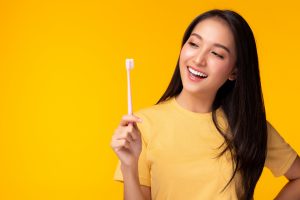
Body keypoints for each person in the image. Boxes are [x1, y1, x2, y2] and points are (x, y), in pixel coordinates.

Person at [110, 9, 300, 200]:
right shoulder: (142, 125)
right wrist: (129, 167)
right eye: (194, 44)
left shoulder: (249, 127)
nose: (198, 60)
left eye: (217, 54)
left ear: (234, 71)